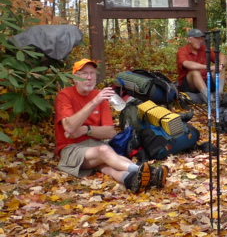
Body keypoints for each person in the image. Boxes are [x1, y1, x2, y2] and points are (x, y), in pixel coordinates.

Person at [55, 59, 168, 193]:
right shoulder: (66, 95)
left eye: (92, 73)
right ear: (74, 78)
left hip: (94, 146)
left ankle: (131, 180)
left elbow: (109, 132)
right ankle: (146, 171)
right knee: (104, 151)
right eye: (84, 74)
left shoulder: (100, 95)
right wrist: (94, 102)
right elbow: (69, 128)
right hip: (71, 149)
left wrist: (85, 129)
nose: (89, 77)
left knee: (107, 166)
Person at [177, 28, 227, 101]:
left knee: (220, 68)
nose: (200, 41)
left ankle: (219, 94)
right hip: (189, 85)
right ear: (189, 39)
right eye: (197, 39)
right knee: (195, 72)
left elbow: (221, 55)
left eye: (201, 39)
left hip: (206, 80)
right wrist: (209, 67)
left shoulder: (204, 48)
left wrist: (221, 65)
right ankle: (209, 99)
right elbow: (186, 64)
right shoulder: (182, 51)